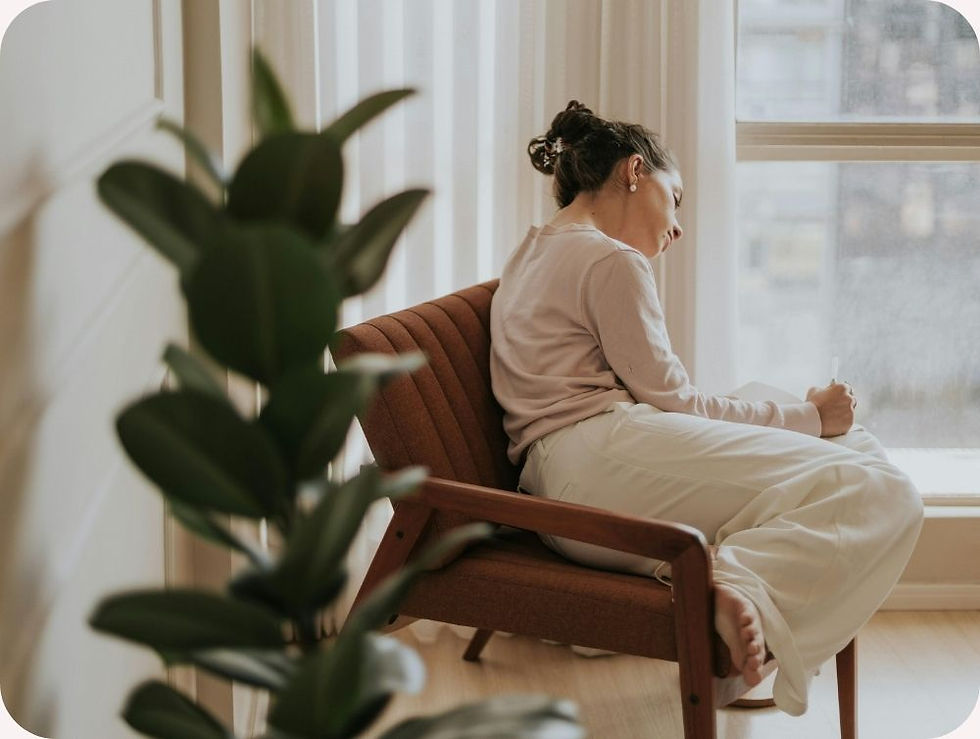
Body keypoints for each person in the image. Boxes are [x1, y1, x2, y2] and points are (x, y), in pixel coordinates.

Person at [489, 100, 924, 716]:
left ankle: (731, 579)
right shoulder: (610, 258)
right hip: (597, 466)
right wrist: (809, 418)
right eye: (676, 199)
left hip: (565, 481)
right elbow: (678, 401)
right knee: (884, 489)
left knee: (848, 447)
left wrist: (810, 421)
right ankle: (731, 583)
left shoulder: (532, 249)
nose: (678, 228)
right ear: (634, 171)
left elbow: (663, 398)